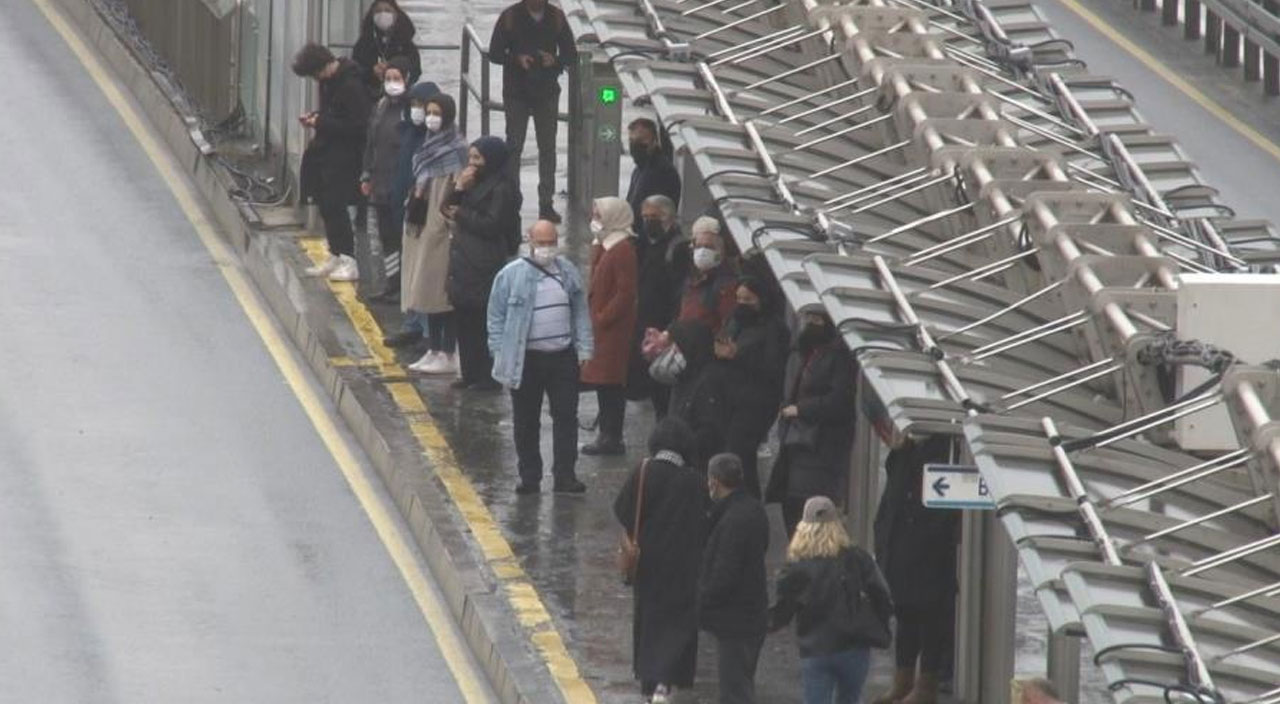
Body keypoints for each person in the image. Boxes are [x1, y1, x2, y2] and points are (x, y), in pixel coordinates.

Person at [488, 221, 593, 494]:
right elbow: (496, 317)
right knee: (526, 420)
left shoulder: (568, 272)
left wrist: (584, 348)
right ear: (530, 242)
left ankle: (565, 476)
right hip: (526, 361)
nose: (547, 248)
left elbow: (580, 311)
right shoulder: (510, 275)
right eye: (541, 242)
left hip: (562, 358)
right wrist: (499, 353)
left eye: (551, 242)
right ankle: (530, 476)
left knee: (566, 418)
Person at [612, 418, 708, 704]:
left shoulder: (643, 471)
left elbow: (622, 510)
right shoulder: (694, 480)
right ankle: (665, 683)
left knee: (649, 621)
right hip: (684, 565)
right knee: (677, 624)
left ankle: (649, 681)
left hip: (648, 563)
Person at [770, 497, 893, 704]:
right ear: (837, 525)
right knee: (851, 699)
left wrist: (764, 624)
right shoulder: (857, 558)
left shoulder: (797, 566)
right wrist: (880, 623)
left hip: (815, 648)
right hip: (854, 646)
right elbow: (881, 594)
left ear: (804, 527)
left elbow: (784, 608)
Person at [871, 432, 959, 704]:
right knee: (905, 613)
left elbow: (943, 510)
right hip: (900, 548)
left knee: (930, 615)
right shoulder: (905, 451)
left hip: (927, 552)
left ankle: (926, 683)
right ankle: (904, 679)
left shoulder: (943, 449)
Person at [765, 310, 857, 537]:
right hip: (795, 440)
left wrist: (802, 409)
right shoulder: (802, 352)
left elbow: (840, 401)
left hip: (820, 446)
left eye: (817, 320)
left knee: (811, 506)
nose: (810, 324)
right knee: (791, 503)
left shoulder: (839, 357)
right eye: (809, 319)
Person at [488, 0, 577, 223]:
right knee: (514, 147)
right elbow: (495, 53)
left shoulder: (556, 18)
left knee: (547, 148)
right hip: (516, 91)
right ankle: (511, 201)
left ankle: (546, 203)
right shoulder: (510, 17)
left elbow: (570, 54)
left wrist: (554, 60)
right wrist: (517, 59)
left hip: (546, 91)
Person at [445, 136, 520, 388]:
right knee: (464, 320)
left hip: (485, 260)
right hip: (463, 259)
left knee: (482, 322)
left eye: (478, 158)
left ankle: (487, 376)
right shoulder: (469, 183)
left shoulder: (503, 188)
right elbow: (446, 209)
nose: (473, 164)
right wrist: (458, 188)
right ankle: (469, 373)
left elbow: (492, 224)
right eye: (471, 158)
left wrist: (463, 214)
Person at [293, 43, 370, 282]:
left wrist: (320, 122)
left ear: (325, 65)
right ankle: (336, 253)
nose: (316, 79)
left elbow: (358, 125)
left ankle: (349, 258)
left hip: (346, 155)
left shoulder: (351, 85)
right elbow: (334, 115)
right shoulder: (329, 83)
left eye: (316, 73)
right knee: (326, 202)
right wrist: (318, 118)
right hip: (328, 151)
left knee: (336, 204)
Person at [700, 453, 770, 704]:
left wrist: (701, 601)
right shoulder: (753, 510)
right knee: (743, 681)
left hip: (736, 619)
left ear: (715, 482)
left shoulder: (731, 521)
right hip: (754, 612)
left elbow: (724, 574)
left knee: (734, 690)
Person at [402, 94, 465, 374]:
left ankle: (447, 351)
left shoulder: (457, 150)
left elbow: (457, 192)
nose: (430, 117)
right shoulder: (428, 145)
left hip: (439, 230)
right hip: (421, 224)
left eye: (436, 112)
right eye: (429, 111)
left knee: (441, 294)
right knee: (427, 291)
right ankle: (434, 348)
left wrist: (444, 223)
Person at [715, 277, 789, 498]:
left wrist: (738, 355)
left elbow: (774, 368)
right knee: (734, 452)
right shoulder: (735, 320)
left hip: (757, 402)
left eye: (748, 299)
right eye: (738, 298)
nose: (741, 303)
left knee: (740, 453)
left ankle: (748, 501)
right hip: (730, 396)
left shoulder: (774, 328)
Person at [580, 197, 639, 456]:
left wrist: (603, 317)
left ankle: (611, 436)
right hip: (603, 329)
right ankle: (607, 434)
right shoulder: (606, 245)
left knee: (611, 385)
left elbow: (626, 293)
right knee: (605, 384)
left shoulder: (622, 249)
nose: (595, 221)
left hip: (612, 331)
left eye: (599, 216)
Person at [379, 81, 439, 320]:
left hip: (421, 212)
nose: (417, 110)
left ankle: (421, 326)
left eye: (421, 105)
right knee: (407, 264)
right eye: (413, 104)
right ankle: (412, 321)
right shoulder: (407, 132)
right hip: (402, 206)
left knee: (421, 270)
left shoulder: (433, 140)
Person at [629, 195, 690, 418]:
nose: (647, 222)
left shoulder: (678, 249)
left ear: (669, 218)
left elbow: (679, 295)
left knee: (665, 396)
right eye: (644, 217)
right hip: (649, 333)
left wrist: (670, 331)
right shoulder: (647, 244)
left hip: (665, 333)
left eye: (653, 217)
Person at [360, 59, 414, 301]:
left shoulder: (413, 111)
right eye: (388, 79)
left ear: (407, 79)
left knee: (403, 236)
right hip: (380, 184)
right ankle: (392, 283)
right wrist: (367, 175)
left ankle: (405, 284)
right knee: (387, 237)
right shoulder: (380, 107)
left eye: (397, 78)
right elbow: (371, 145)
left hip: (401, 185)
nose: (392, 84)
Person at [661, 320, 728, 472]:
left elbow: (709, 431)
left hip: (699, 464)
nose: (672, 352)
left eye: (675, 346)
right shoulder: (684, 376)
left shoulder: (708, 381)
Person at [677, 217, 738, 333]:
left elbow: (728, 326)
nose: (703, 252)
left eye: (709, 247)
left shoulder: (727, 285)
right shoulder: (691, 279)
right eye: (699, 246)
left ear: (721, 250)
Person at [351, 0, 422, 98]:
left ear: (396, 14)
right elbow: (355, 69)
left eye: (387, 10)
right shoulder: (363, 44)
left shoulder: (405, 42)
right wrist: (371, 71)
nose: (382, 14)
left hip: (401, 94)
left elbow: (415, 70)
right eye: (378, 11)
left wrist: (397, 72)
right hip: (369, 94)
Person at [625, 118, 682, 227]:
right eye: (631, 141)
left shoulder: (662, 170)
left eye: (641, 141)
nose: (635, 146)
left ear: (654, 142)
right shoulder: (639, 169)